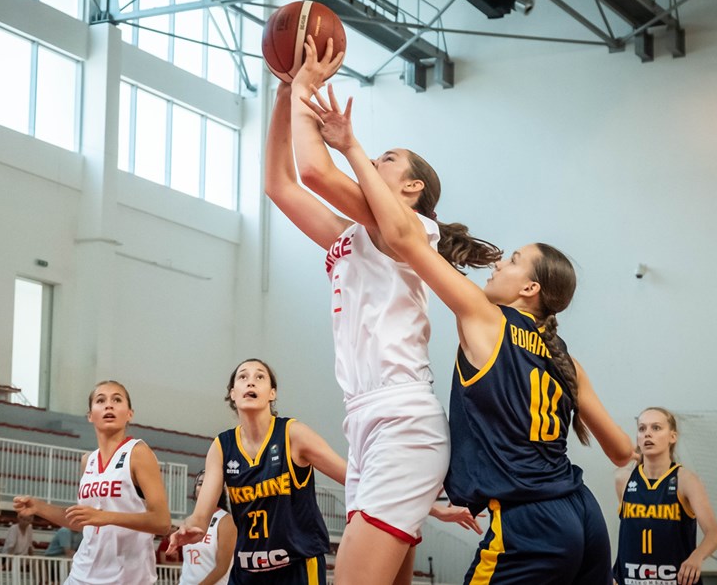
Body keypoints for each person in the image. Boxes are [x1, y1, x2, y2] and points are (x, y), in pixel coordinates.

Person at [305, 60, 636, 582]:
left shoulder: (488, 316)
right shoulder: (565, 358)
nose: (498, 263)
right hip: (583, 512)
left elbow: (409, 240)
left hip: (526, 520)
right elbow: (621, 452)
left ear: (530, 289)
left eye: (511, 262)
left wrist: (349, 147)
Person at [266, 39, 493, 585]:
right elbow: (281, 184)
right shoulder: (352, 235)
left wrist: (309, 92)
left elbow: (317, 172)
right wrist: (283, 89)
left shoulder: (416, 231)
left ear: (412, 187)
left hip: (401, 420)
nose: (375, 158)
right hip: (363, 421)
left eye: (387, 159)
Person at [169, 358, 348, 585]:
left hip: (296, 567)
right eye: (243, 377)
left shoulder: (293, 434)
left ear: (272, 393)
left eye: (259, 377)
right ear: (233, 393)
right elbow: (201, 515)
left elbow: (351, 477)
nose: (250, 382)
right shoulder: (222, 446)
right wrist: (191, 526)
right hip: (247, 571)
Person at [14, 380, 171, 585]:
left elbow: (162, 522)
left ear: (129, 413)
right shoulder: (88, 460)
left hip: (126, 578)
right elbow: (83, 520)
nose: (109, 405)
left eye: (117, 399)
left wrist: (105, 516)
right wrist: (38, 507)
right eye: (101, 400)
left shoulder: (138, 453)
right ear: (90, 415)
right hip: (82, 574)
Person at [613, 407, 717, 585]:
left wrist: (696, 557)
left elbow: (714, 534)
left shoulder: (686, 480)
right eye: (642, 429)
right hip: (632, 579)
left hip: (673, 579)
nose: (648, 434)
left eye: (656, 428)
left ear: (673, 436)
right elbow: (628, 535)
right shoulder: (623, 479)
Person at [177, 470, 235, 585]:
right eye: (200, 483)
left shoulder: (226, 520)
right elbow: (188, 564)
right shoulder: (188, 520)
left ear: (219, 490)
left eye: (208, 483)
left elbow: (222, 567)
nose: (203, 487)